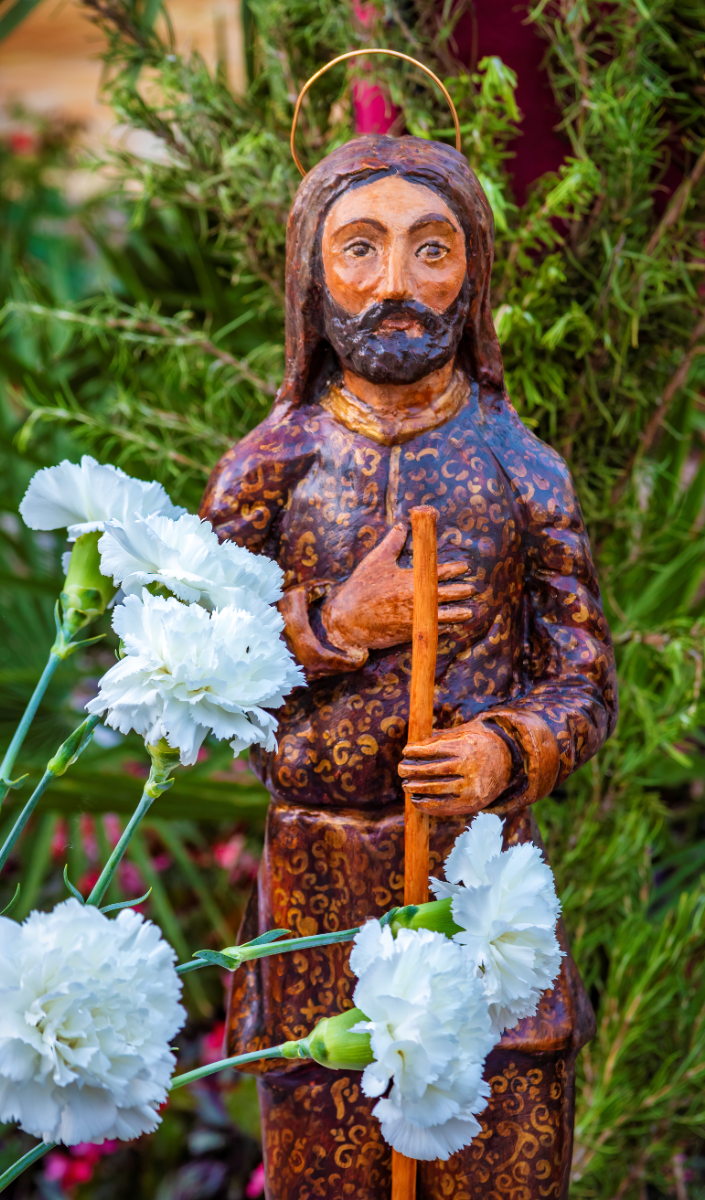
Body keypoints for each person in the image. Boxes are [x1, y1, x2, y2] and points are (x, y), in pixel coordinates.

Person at [200, 135, 617, 1200]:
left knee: (500, 1160)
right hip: (319, 901)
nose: (396, 282)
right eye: (360, 248)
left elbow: (582, 676)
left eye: (431, 250)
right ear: (312, 272)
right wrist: (333, 622)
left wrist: (505, 748)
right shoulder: (267, 471)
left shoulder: (521, 470)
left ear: (472, 274)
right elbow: (197, 672)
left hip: (481, 890)